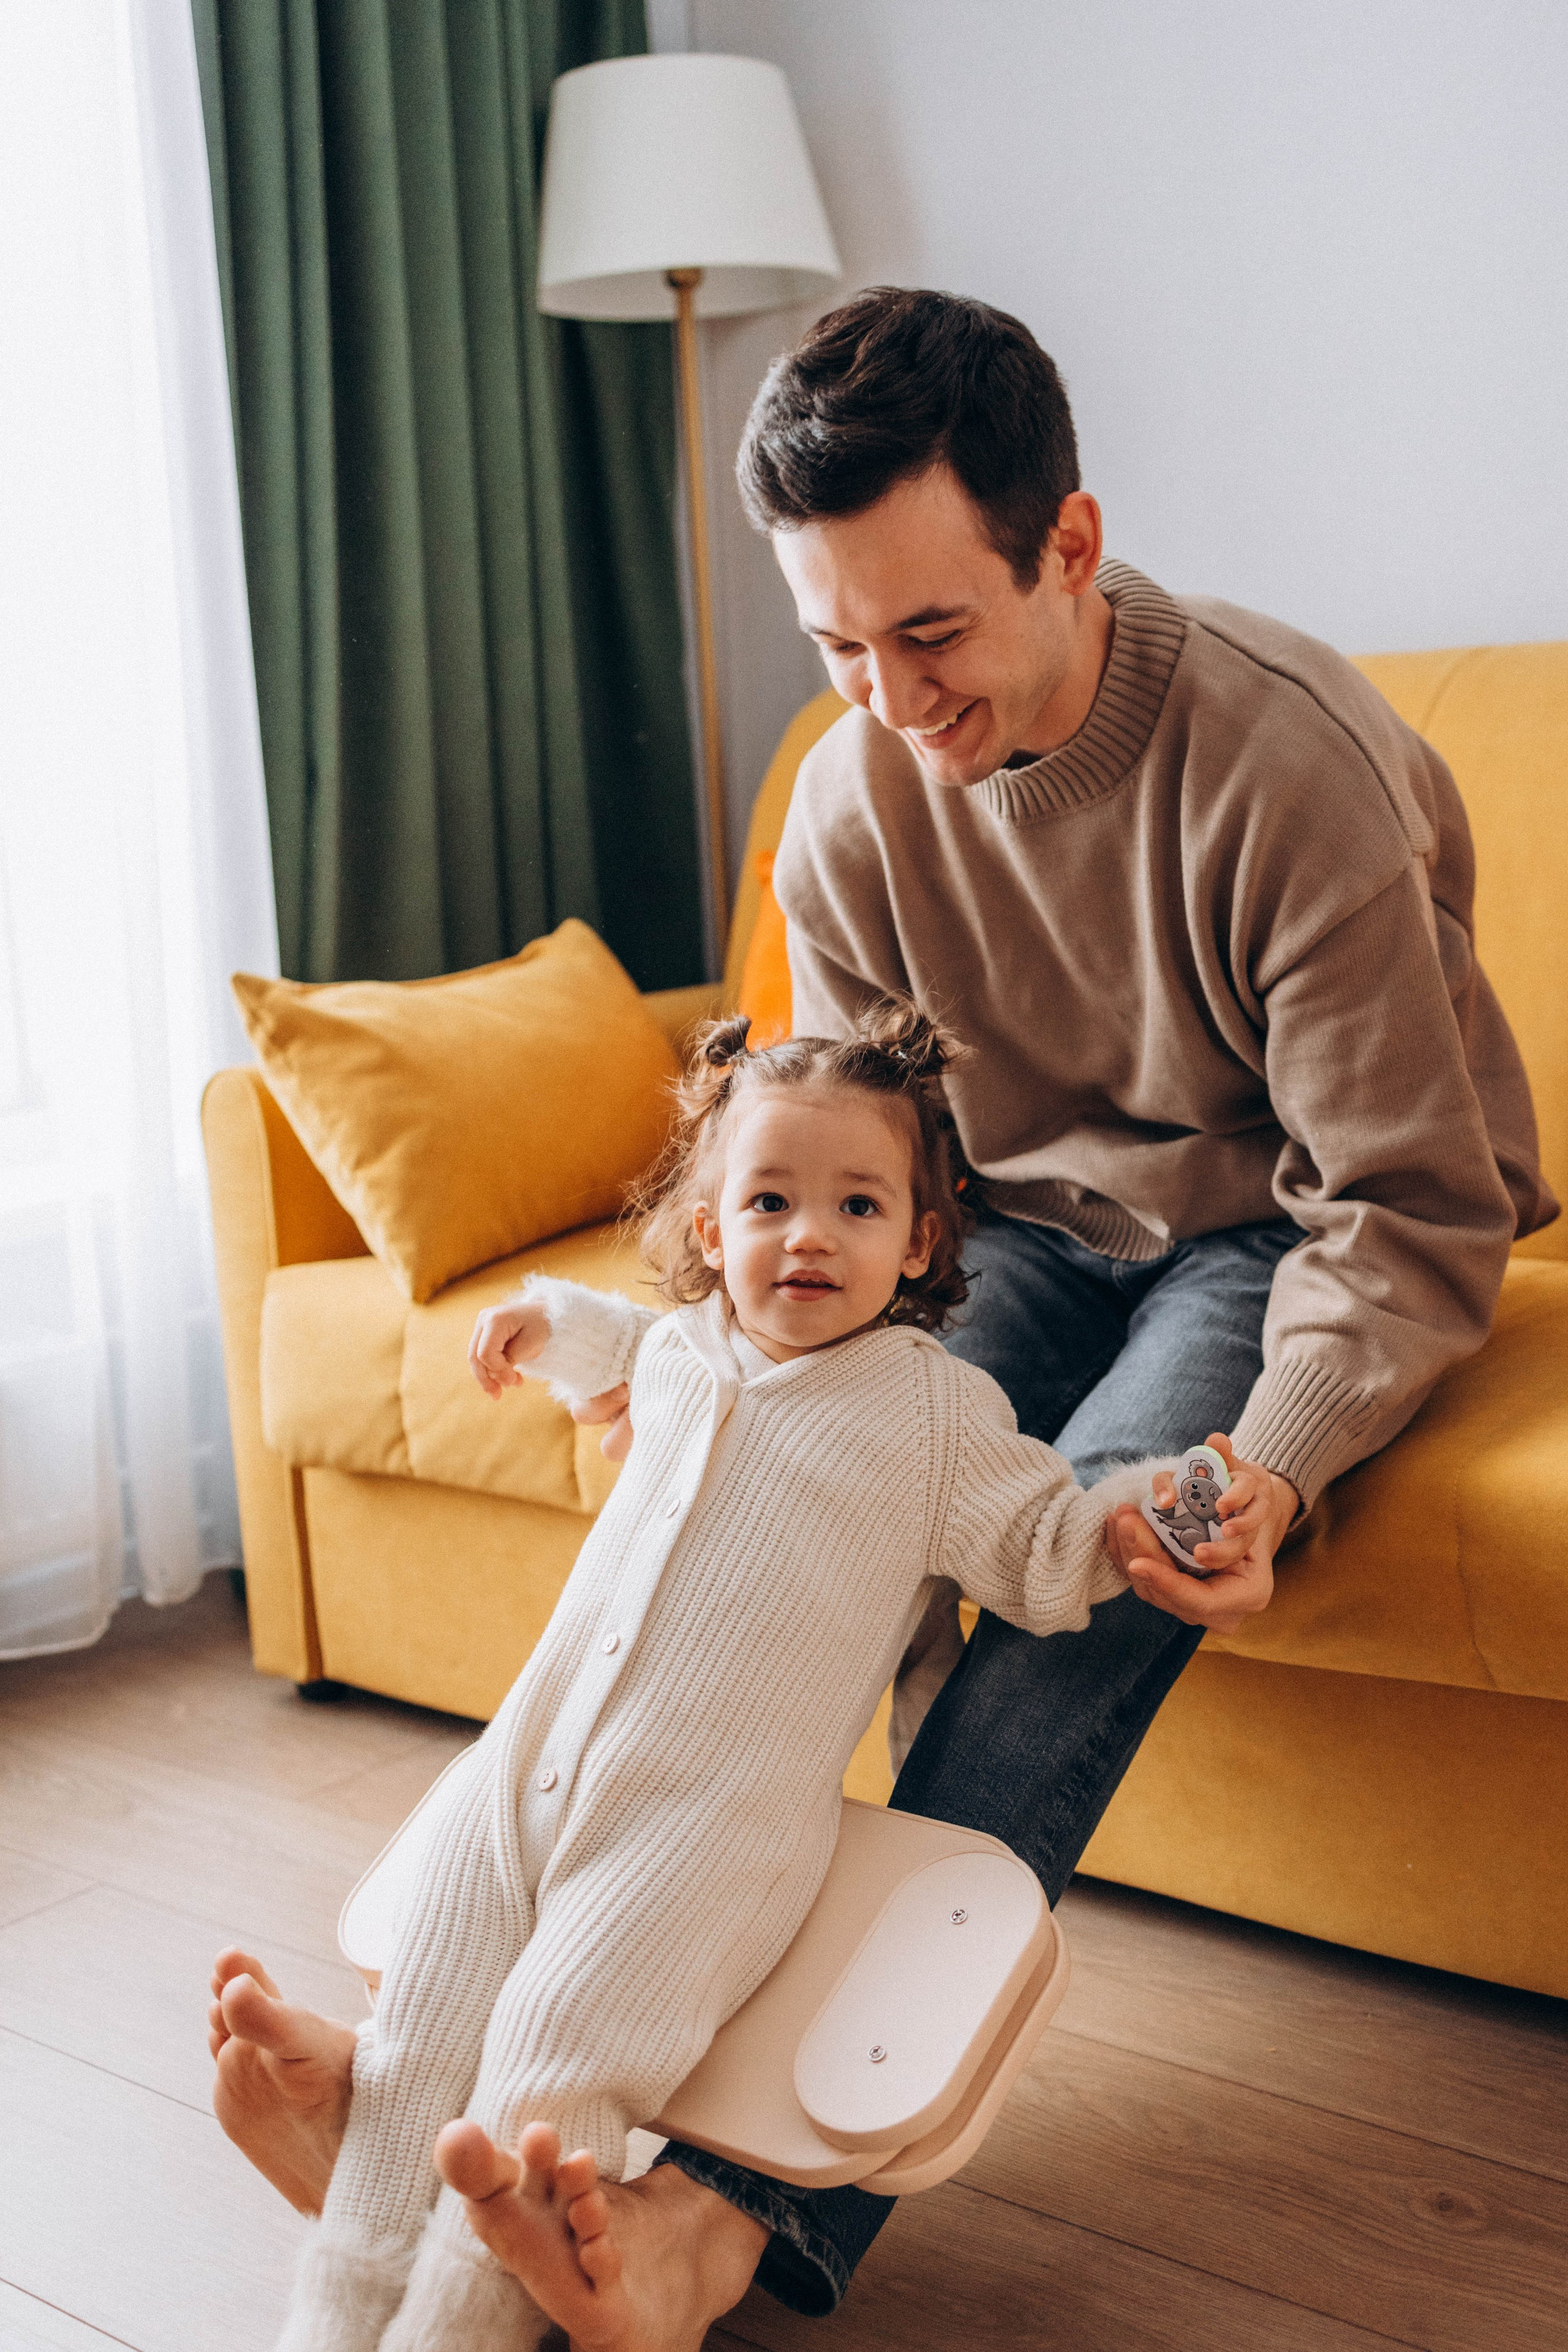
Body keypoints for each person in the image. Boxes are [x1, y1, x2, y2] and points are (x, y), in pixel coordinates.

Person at [210, 287, 1555, 2348]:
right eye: (838, 647)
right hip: (994, 1223)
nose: (889, 701)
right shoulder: (855, 801)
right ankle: (456, 2085)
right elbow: (839, 1163)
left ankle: (721, 2220)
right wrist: (715, 1378)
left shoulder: (1291, 768)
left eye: (931, 633)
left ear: (1069, 547)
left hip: (1262, 1231)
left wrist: (1270, 1471)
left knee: (1082, 1582)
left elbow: (1407, 1200)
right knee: (810, 1498)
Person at [255, 1001, 1273, 2352]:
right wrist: (540, 1325)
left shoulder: (926, 1409)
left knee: (550, 2067)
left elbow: (1044, 1543)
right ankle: (335, 2310)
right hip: (521, 1776)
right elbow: (623, 1342)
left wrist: (1153, 1508)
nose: (808, 1236)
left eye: (858, 1206)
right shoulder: (685, 1350)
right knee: (417, 2038)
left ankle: (465, 2320)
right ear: (710, 1229)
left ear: (919, 1242)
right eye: (770, 1202)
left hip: (696, 1844)